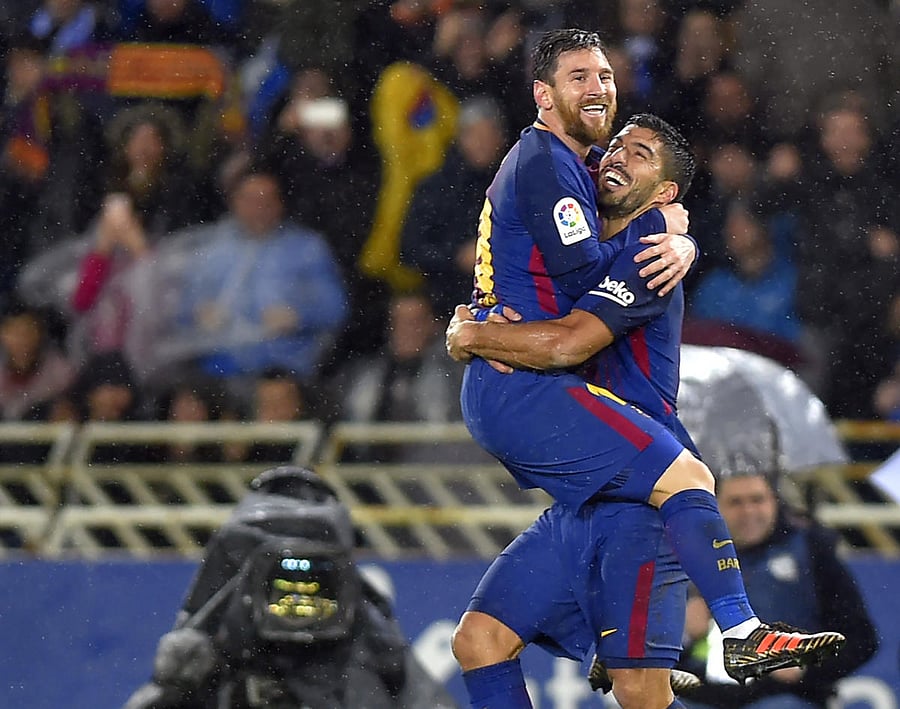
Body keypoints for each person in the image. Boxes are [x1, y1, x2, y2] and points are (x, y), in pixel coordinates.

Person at [444, 29, 844, 709]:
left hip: (621, 484)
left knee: (494, 646)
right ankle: (730, 631)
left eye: (639, 154)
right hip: (599, 461)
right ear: (542, 94)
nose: (615, 155)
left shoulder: (647, 244)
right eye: (580, 76)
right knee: (633, 667)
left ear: (664, 190)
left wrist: (474, 333)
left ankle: (733, 633)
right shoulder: (571, 177)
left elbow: (571, 340)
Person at [678, 469, 879, 709]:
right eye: (736, 502)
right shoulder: (681, 556)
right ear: (715, 506)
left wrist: (805, 666)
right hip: (700, 698)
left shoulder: (812, 551)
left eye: (757, 499)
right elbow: (648, 653)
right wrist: (684, 634)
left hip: (788, 698)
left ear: (775, 501)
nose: (748, 511)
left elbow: (861, 639)